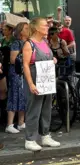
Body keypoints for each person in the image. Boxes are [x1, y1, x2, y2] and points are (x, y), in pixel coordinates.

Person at [22, 17, 60, 151]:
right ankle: (30, 139)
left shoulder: (44, 42)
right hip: (35, 78)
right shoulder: (29, 44)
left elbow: (47, 57)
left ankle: (45, 136)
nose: (47, 27)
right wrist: (31, 84)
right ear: (37, 28)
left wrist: (53, 59)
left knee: (46, 108)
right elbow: (25, 65)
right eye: (45, 25)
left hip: (46, 81)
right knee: (34, 109)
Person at [5, 22, 28, 134]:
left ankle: (21, 122)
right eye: (26, 28)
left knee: (22, 96)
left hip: (24, 72)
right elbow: (13, 60)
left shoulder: (28, 42)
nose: (28, 30)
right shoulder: (16, 43)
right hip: (16, 72)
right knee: (14, 95)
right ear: (21, 31)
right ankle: (9, 124)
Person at [0, 21, 14, 129]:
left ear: (10, 31)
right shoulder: (2, 40)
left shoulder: (14, 41)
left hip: (10, 66)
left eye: (5, 29)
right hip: (3, 66)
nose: (3, 31)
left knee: (8, 90)